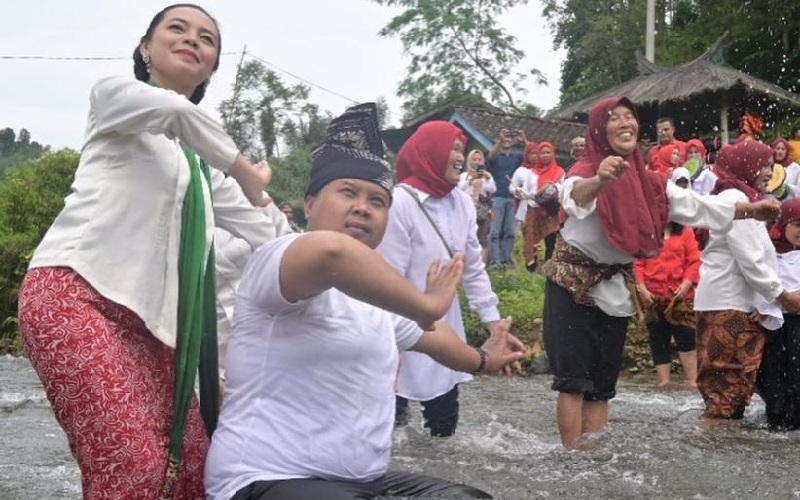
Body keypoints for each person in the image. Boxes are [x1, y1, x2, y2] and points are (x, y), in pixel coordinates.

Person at [16, 5, 274, 498]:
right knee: (133, 472)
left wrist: (337, 257)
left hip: (157, 332)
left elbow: (265, 229)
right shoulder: (114, 98)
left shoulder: (202, 169)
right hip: (76, 296)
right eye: (177, 29)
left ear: (212, 67)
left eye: (207, 39)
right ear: (144, 48)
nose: (192, 40)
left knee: (197, 470)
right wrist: (248, 172)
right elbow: (177, 113)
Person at [205, 103, 526, 500]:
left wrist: (484, 358)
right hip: (263, 478)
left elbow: (436, 338)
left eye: (378, 201)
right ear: (309, 205)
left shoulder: (378, 301)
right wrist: (425, 304)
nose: (363, 207)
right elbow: (331, 253)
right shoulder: (279, 259)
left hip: (362, 482)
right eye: (347, 192)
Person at [540, 96, 783, 448]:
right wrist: (601, 179)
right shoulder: (585, 169)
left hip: (615, 288)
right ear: (598, 129)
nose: (625, 123)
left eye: (630, 117)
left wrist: (752, 209)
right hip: (572, 284)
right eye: (615, 118)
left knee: (601, 387)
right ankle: (569, 458)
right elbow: (573, 197)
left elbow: (700, 207)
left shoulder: (651, 182)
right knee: (573, 381)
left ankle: (589, 460)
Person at [378, 120, 515, 438]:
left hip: (445, 325)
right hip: (398, 323)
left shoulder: (462, 203)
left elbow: (471, 269)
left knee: (444, 425)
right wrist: (420, 304)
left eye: (461, 149)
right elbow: (389, 274)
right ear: (430, 151)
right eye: (453, 148)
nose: (460, 156)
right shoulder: (400, 202)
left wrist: (493, 323)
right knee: (390, 423)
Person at [694, 141, 800, 421]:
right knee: (727, 391)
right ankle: (716, 458)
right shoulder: (735, 200)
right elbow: (751, 258)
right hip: (731, 307)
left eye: (771, 165)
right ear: (745, 164)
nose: (769, 171)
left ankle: (717, 456)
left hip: (724, 302)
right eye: (764, 164)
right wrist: (782, 296)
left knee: (724, 389)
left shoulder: (739, 198)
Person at [634, 167, 701, 388]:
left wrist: (686, 283)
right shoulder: (646, 233)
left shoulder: (687, 232)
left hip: (680, 295)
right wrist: (641, 288)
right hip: (652, 296)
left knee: (686, 336)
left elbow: (694, 261)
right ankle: (664, 382)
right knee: (657, 337)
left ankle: (692, 381)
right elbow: (637, 262)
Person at [754, 198, 800, 430]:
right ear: (782, 224)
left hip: (796, 327)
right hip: (773, 326)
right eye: (798, 224)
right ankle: (777, 421)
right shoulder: (769, 253)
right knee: (772, 377)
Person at [520, 142, 565, 270]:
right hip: (534, 209)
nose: (545, 155)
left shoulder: (560, 172)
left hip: (551, 210)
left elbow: (563, 190)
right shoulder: (531, 173)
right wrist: (538, 193)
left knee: (551, 239)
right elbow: (525, 193)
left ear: (553, 154)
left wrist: (552, 186)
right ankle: (531, 267)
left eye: (548, 152)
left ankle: (549, 267)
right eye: (542, 153)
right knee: (531, 237)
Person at [487, 127, 526, 267]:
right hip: (497, 196)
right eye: (505, 137)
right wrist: (499, 139)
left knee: (510, 231)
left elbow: (532, 156)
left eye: (509, 137)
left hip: (513, 198)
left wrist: (523, 141)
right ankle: (495, 261)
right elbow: (490, 156)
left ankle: (504, 261)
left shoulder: (517, 157)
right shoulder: (496, 157)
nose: (507, 139)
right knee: (495, 231)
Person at [457, 149, 496, 264]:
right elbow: (458, 190)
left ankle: (481, 266)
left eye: (479, 159)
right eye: (474, 159)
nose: (476, 161)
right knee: (465, 238)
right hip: (465, 211)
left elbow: (492, 189)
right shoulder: (464, 175)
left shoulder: (486, 176)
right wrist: (470, 180)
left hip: (481, 211)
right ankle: (464, 264)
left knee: (482, 239)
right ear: (469, 160)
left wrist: (488, 177)